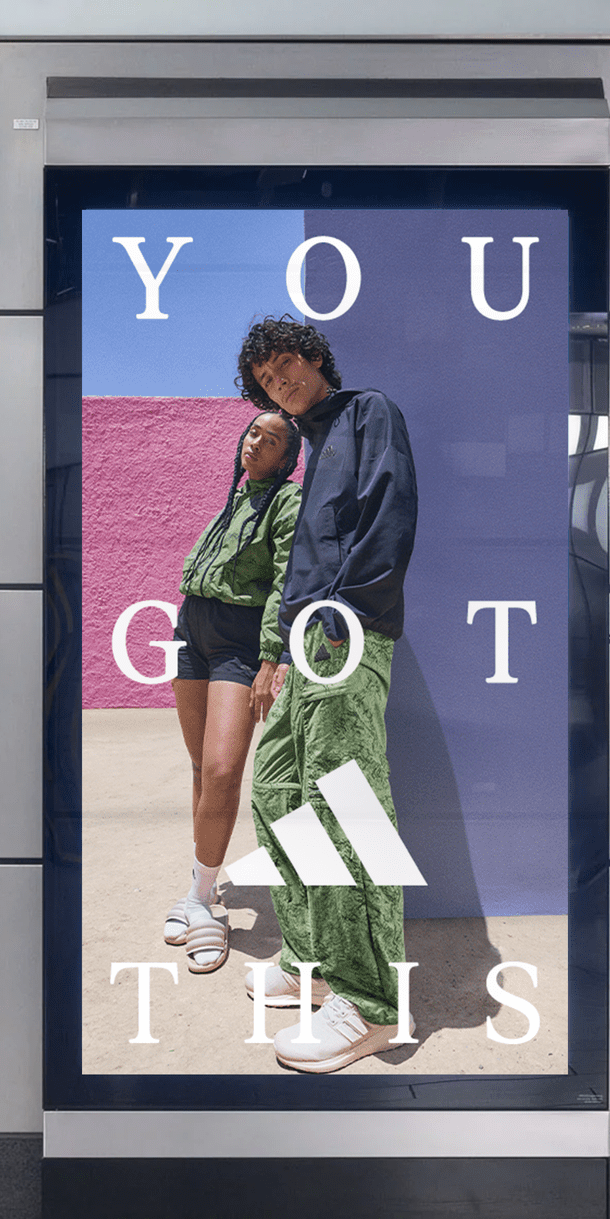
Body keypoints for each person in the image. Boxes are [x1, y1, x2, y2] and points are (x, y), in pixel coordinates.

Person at [235, 316, 420, 1072]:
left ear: (315, 359)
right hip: (307, 639)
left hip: (344, 632)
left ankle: (371, 1002)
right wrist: (277, 652)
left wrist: (342, 617)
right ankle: (312, 957)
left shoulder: (367, 412)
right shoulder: (312, 451)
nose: (279, 385)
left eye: (286, 368)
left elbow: (387, 516)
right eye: (266, 382)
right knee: (278, 791)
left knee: (344, 800)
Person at [163, 411, 301, 973]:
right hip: (190, 630)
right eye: (253, 433)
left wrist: (274, 655)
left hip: (239, 644)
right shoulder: (234, 497)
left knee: (222, 769)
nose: (256, 444)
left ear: (287, 457)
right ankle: (203, 892)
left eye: (271, 440)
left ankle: (200, 901)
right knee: (199, 767)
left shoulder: (287, 503)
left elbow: (287, 580)